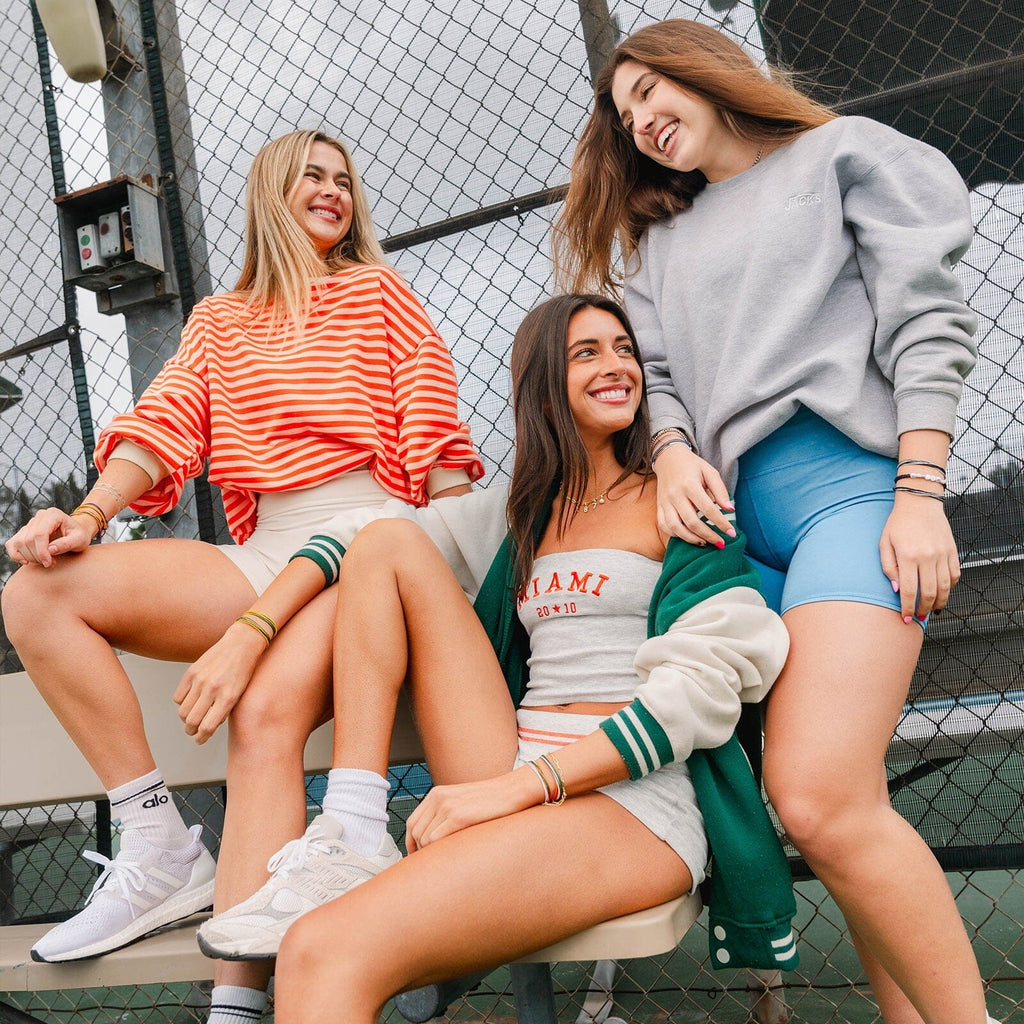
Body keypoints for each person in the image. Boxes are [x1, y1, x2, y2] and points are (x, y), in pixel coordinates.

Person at [553, 18, 991, 1024]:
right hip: (734, 534)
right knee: (842, 812)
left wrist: (918, 493)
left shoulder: (844, 154)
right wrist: (665, 456)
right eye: (626, 116)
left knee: (819, 796)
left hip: (853, 498)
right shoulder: (656, 244)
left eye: (655, 91)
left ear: (708, 77)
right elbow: (653, 380)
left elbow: (927, 319)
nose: (646, 121)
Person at [192, 293, 794, 1024]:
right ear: (544, 382)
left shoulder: (680, 502)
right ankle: (352, 823)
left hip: (631, 798)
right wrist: (252, 627)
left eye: (624, 349)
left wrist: (518, 790)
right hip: (507, 764)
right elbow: (361, 533)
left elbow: (700, 697)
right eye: (587, 353)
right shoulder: (521, 515)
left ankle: (418, 948)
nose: (617, 367)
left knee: (322, 949)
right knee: (387, 543)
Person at [1, 128, 482, 999]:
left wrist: (445, 561)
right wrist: (86, 514)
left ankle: (236, 1005)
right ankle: (156, 847)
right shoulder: (219, 322)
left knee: (261, 714)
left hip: (369, 544)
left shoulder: (380, 294)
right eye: (312, 177)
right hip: (266, 553)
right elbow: (165, 422)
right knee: (37, 595)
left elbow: (436, 439)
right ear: (271, 192)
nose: (334, 190)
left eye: (345, 178)